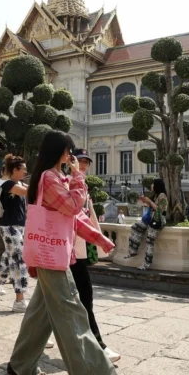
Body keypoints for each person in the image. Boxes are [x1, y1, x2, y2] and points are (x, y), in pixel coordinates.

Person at [7, 131, 121, 375]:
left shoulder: (56, 178)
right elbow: (73, 207)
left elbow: (74, 218)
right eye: (69, 151)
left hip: (55, 253)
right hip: (52, 256)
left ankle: (20, 363)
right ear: (61, 151)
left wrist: (99, 239)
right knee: (72, 313)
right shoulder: (49, 177)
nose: (72, 157)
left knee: (41, 313)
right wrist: (79, 177)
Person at [68, 148, 121, 362]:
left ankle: (34, 341)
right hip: (68, 250)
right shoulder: (67, 183)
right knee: (84, 297)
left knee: (50, 301)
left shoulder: (82, 186)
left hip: (78, 249)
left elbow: (89, 220)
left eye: (86, 162)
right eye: (79, 161)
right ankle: (98, 345)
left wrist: (95, 242)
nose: (83, 165)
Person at [0, 154, 30, 312]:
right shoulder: (8, 184)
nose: (25, 173)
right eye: (23, 170)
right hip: (9, 226)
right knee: (19, 260)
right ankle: (19, 299)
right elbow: (30, 192)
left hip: (20, 227)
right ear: (15, 170)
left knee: (8, 262)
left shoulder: (20, 184)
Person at [125, 178, 168, 270]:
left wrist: (150, 201)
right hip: (150, 219)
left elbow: (161, 210)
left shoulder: (162, 195)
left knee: (149, 241)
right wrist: (145, 201)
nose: (151, 186)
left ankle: (146, 264)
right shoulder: (156, 195)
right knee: (135, 227)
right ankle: (133, 250)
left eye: (153, 184)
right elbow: (152, 207)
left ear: (157, 185)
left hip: (157, 220)